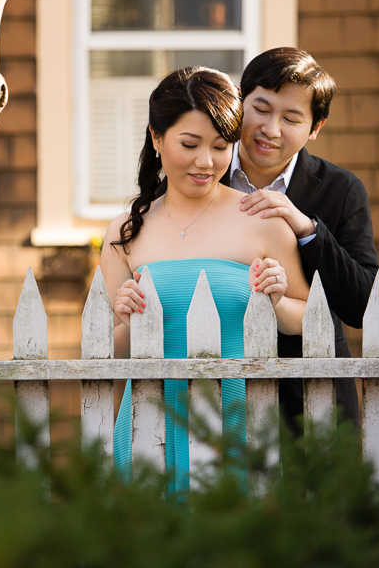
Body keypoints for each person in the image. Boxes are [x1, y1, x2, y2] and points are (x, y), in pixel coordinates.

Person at [103, 66, 311, 496]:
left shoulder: (263, 221)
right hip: (148, 416)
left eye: (220, 147)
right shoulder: (124, 233)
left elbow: (309, 320)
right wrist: (123, 318)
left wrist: (275, 299)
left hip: (240, 414)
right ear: (157, 138)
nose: (206, 162)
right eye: (189, 144)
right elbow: (110, 351)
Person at [229, 47, 378, 433]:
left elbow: (363, 306)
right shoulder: (200, 173)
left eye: (291, 118)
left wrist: (307, 229)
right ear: (239, 101)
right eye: (260, 109)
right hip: (217, 389)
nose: (271, 129)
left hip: (314, 396)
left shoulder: (342, 190)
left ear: (315, 127)